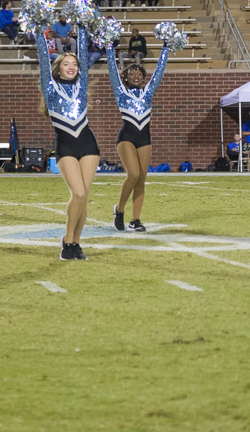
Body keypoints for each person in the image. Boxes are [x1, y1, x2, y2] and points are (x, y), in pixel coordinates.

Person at [36, 23, 97, 260]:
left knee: (85, 196)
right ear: (58, 69)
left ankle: (76, 244)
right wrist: (40, 29)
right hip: (66, 145)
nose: (71, 66)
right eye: (66, 63)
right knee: (78, 193)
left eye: (74, 64)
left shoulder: (81, 87)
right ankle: (67, 240)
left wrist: (82, 25)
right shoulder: (50, 88)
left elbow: (83, 50)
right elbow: (42, 57)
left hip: (88, 144)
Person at [106, 38, 169, 234]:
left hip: (145, 137)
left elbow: (159, 71)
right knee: (133, 174)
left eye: (139, 73)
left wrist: (166, 47)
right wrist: (109, 48)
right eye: (131, 73)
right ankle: (120, 210)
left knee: (141, 178)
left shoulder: (148, 92)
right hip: (126, 136)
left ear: (143, 78)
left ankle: (135, 219)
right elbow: (112, 71)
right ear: (126, 77)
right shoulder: (121, 92)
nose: (135, 75)